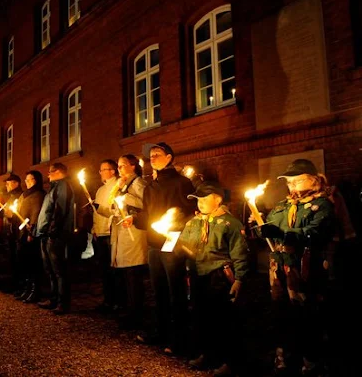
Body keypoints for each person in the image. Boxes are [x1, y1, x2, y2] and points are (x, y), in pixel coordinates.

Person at [255, 159, 335, 375]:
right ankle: (284, 355)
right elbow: (270, 225)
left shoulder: (323, 205)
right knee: (281, 312)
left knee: (306, 313)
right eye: (289, 182)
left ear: (314, 180)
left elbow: (316, 232)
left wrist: (284, 234)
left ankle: (311, 360)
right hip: (279, 268)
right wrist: (259, 230)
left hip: (304, 267)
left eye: (297, 181)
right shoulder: (283, 206)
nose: (292, 186)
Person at [133, 142, 196, 355]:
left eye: (157, 154)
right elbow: (148, 214)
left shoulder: (182, 183)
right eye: (151, 155)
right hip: (154, 244)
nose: (153, 158)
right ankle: (161, 330)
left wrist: (174, 224)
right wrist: (134, 218)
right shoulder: (150, 186)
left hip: (173, 243)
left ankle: (179, 337)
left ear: (169, 157)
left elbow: (189, 212)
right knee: (158, 290)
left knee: (175, 291)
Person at [181, 181, 249, 376]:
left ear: (217, 200)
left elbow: (240, 252)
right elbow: (186, 244)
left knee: (223, 319)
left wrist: (239, 279)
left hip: (218, 275)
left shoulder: (230, 224)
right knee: (202, 316)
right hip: (198, 274)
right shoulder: (194, 222)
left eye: (204, 199)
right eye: (197, 199)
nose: (200, 203)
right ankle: (207, 354)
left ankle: (230, 360)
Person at [111, 154, 149, 330]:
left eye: (122, 165)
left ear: (133, 166)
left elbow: (146, 204)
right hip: (124, 230)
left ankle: (137, 313)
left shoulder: (139, 183)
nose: (119, 169)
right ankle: (130, 309)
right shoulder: (123, 185)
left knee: (134, 274)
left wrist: (126, 198)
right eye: (118, 166)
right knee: (127, 274)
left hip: (134, 232)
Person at [35, 162, 75, 314]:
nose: (48, 175)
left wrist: (52, 230)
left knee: (59, 270)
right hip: (47, 233)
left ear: (58, 172)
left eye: (51, 172)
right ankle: (53, 299)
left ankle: (62, 302)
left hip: (56, 235)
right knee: (50, 269)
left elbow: (60, 210)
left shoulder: (63, 186)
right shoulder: (53, 188)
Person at [91, 159, 120, 313]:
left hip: (110, 233)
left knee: (113, 270)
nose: (101, 172)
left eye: (104, 169)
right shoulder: (100, 190)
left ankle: (117, 301)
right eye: (100, 170)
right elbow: (96, 213)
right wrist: (94, 228)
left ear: (113, 171)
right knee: (104, 270)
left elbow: (113, 211)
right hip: (100, 233)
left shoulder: (117, 187)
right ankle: (107, 299)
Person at [14, 170, 46, 303]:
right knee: (24, 262)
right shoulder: (24, 194)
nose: (27, 182)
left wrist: (31, 232)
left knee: (32, 262)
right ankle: (27, 288)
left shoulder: (38, 195)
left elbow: (35, 213)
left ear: (36, 180)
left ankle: (35, 290)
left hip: (30, 234)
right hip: (21, 232)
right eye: (26, 180)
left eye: (30, 179)